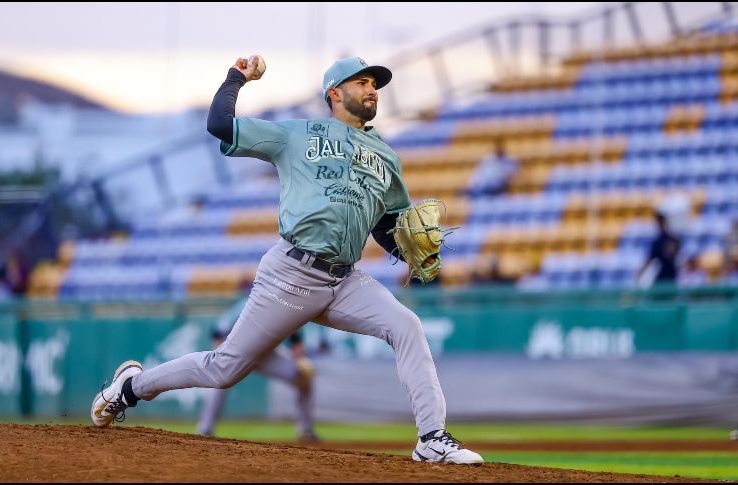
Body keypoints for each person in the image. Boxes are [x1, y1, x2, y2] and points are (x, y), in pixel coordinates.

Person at [91, 55, 483, 465]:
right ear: (334, 93)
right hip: (292, 272)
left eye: (375, 84)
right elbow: (219, 126)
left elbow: (387, 226)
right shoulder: (296, 135)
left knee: (406, 325)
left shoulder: (386, 157)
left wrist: (412, 252)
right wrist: (236, 78)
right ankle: (131, 387)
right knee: (224, 368)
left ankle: (432, 438)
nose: (372, 90)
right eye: (362, 82)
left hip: (346, 281)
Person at [197, 297, 318, 443]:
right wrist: (220, 358)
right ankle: (205, 429)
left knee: (304, 378)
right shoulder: (246, 304)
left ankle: (305, 430)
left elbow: (294, 333)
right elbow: (217, 332)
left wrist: (299, 355)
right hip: (239, 353)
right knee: (218, 381)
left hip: (267, 355)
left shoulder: (282, 304)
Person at [636, 211, 681, 286]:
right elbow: (650, 258)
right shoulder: (659, 241)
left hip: (670, 274)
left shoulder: (671, 240)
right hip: (664, 274)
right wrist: (641, 272)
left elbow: (673, 255)